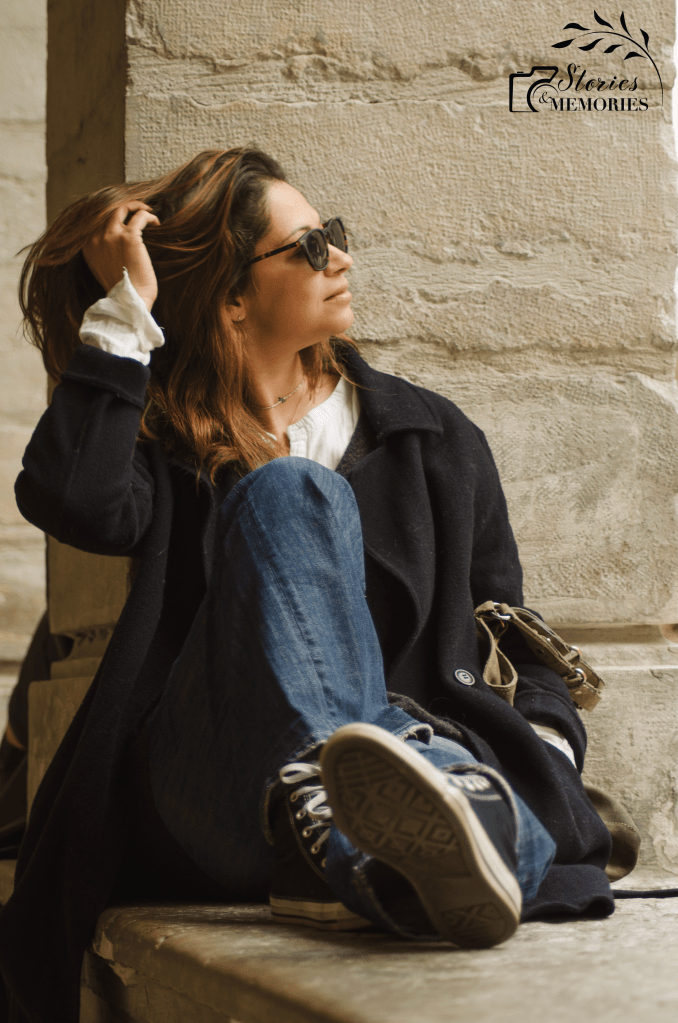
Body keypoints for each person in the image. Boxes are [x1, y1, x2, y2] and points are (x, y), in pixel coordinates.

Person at [0, 147, 613, 1023]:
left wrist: (546, 747)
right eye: (312, 246)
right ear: (233, 295)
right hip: (215, 794)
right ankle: (392, 802)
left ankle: (366, 843)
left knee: (469, 787)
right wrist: (125, 313)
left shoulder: (434, 439)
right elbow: (73, 499)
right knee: (289, 490)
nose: (343, 258)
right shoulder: (166, 438)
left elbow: (508, 622)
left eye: (337, 235)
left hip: (401, 781)